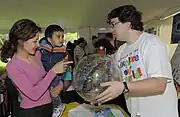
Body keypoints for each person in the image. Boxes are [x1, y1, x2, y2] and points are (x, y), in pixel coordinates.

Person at [95, 5, 178, 117]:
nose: (112, 30)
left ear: (128, 23)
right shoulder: (121, 50)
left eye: (114, 24)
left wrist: (124, 87)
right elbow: (111, 71)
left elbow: (159, 84)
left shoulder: (152, 44)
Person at [1, 19, 72, 117]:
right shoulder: (13, 67)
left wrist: (59, 82)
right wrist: (53, 71)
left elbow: (46, 77)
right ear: (21, 41)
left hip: (48, 105)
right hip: (32, 112)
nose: (37, 45)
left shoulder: (37, 54)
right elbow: (34, 94)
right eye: (34, 41)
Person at [39, 24, 72, 117]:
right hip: (45, 77)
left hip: (56, 77)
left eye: (62, 36)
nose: (61, 39)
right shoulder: (41, 50)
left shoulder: (62, 52)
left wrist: (60, 83)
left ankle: (58, 106)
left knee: (54, 93)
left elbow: (65, 69)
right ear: (49, 39)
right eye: (58, 36)